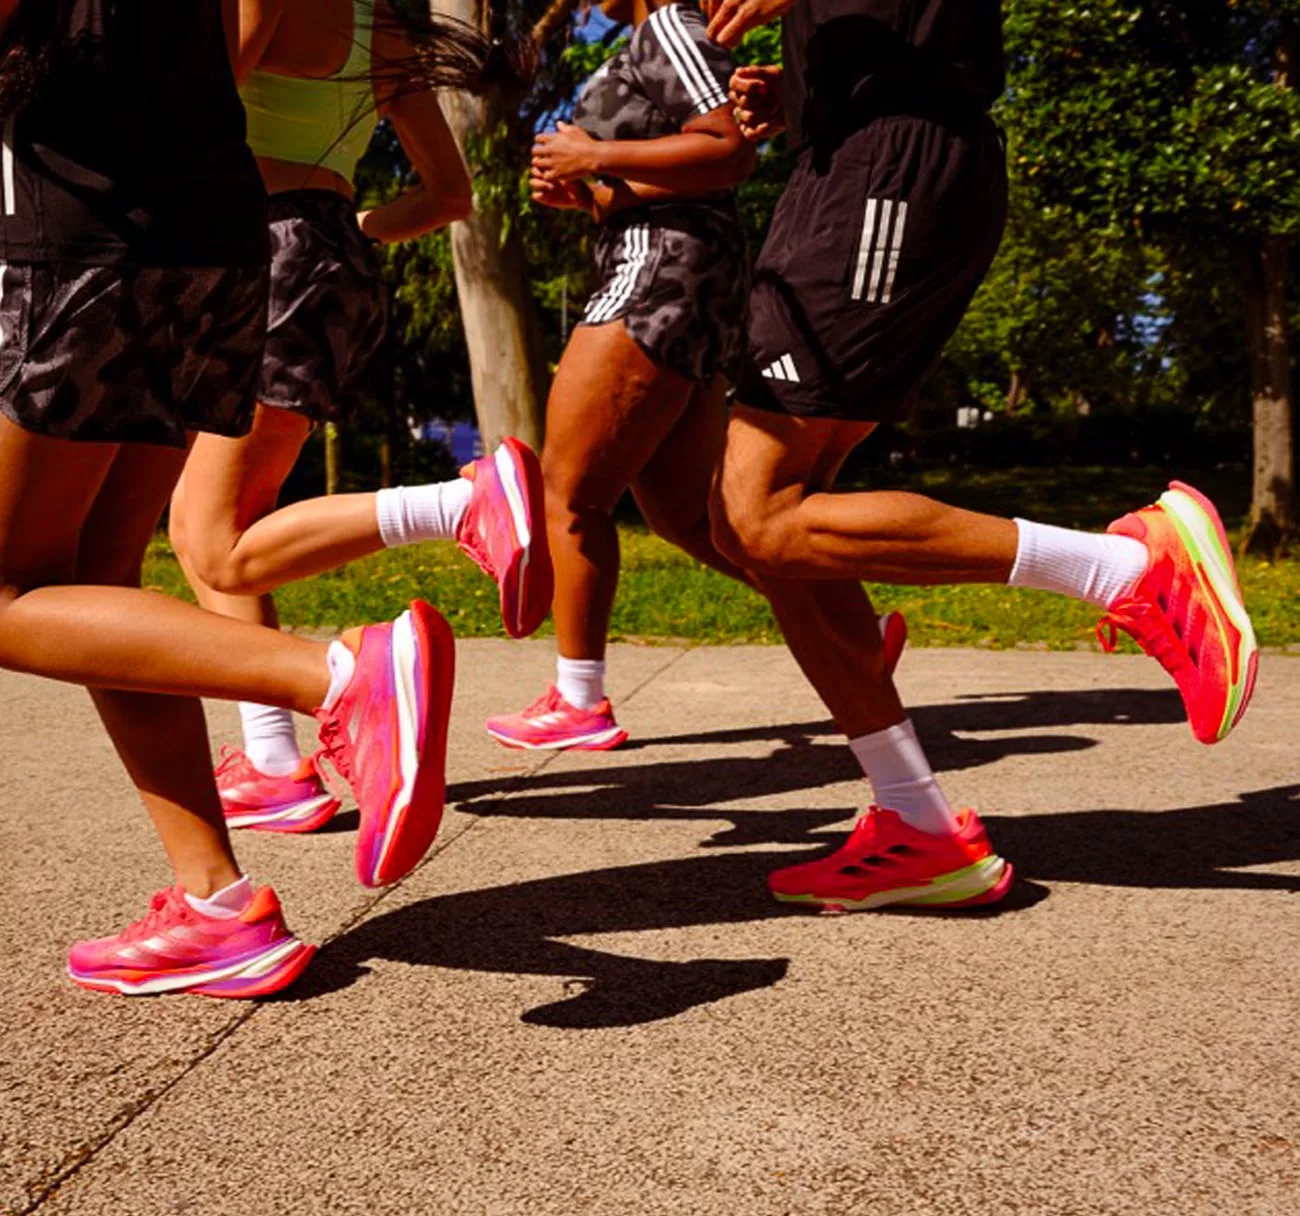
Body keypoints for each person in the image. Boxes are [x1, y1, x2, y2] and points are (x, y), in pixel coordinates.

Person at [702, 0, 1257, 910]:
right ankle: (916, 824)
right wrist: (800, 90)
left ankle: (1129, 566)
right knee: (757, 524)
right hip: (851, 156)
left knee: (761, 513)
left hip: (889, 163)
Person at [0, 0, 455, 997]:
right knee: (98, 584)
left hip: (81, 234)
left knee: (9, 592)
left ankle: (339, 678)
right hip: (219, 241)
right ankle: (215, 903)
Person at [168, 0, 551, 833]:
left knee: (213, 542)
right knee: (215, 523)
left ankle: (459, 504)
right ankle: (270, 762)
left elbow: (181, 113)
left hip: (257, 250)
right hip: (325, 256)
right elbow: (449, 196)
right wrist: (345, 230)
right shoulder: (382, 21)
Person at [481, 0, 755, 750]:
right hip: (679, 272)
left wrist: (595, 158)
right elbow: (689, 165)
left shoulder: (667, 24)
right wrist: (591, 193)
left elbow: (728, 152)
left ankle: (578, 700)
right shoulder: (658, 37)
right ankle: (848, 624)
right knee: (688, 516)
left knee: (569, 494)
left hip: (660, 274)